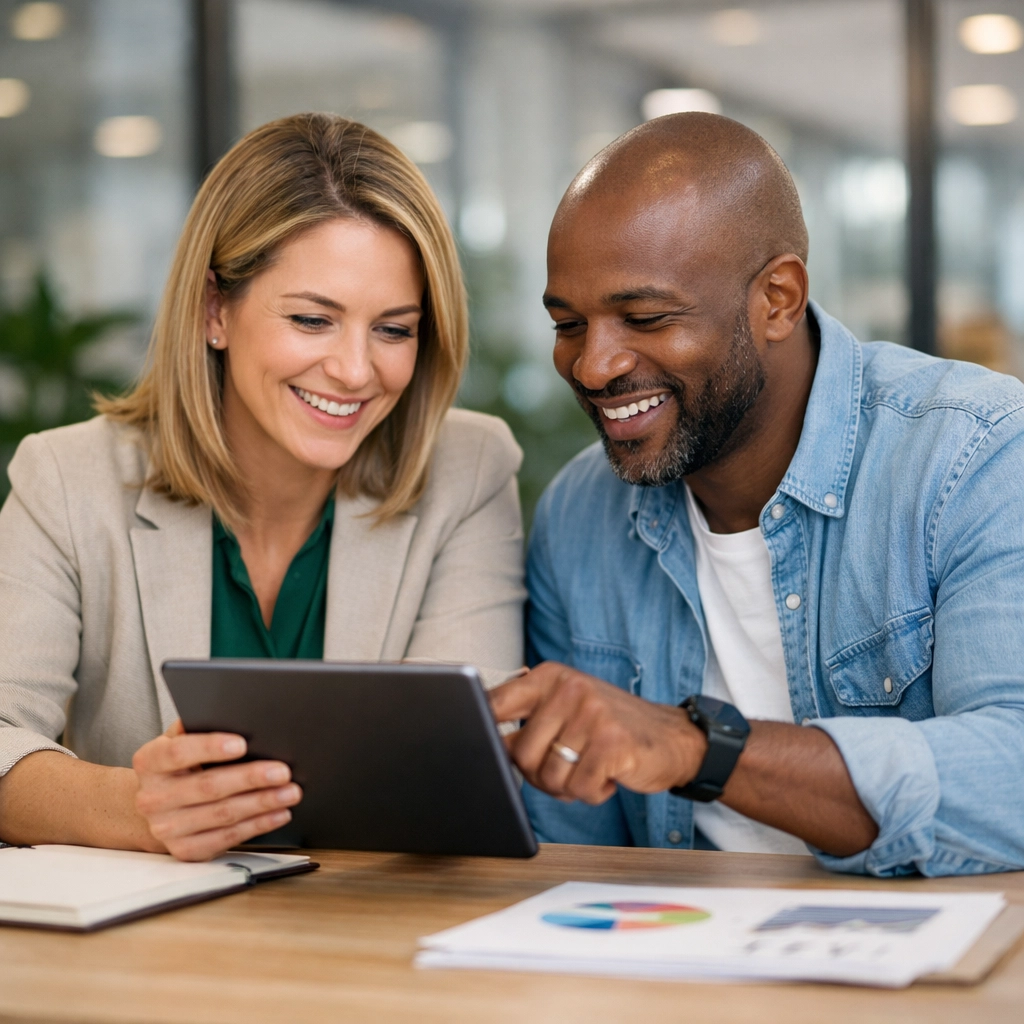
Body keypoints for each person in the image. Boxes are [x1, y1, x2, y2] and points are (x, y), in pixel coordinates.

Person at [489, 112, 1024, 877]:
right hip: (673, 966)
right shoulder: (580, 512)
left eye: (645, 318)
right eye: (569, 324)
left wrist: (699, 748)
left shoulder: (974, 454)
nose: (593, 366)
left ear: (777, 298)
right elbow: (567, 851)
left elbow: (1014, 776)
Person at [0, 113, 525, 861]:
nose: (354, 370)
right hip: (147, 949)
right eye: (313, 320)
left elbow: (464, 761)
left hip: (374, 929)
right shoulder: (67, 480)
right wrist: (131, 807)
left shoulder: (468, 470)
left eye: (394, 329)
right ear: (216, 309)